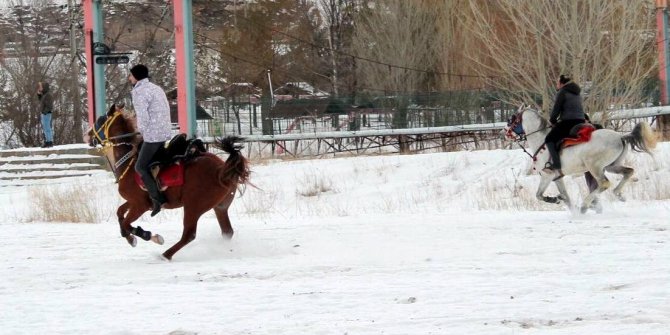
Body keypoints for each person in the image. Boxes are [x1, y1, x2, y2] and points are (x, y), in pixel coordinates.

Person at [128, 64, 172, 217]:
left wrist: (140, 130)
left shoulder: (139, 91)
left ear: (136, 76)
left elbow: (142, 115)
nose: (129, 78)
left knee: (140, 167)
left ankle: (157, 199)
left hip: (153, 134)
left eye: (131, 75)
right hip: (164, 131)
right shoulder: (156, 88)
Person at [543, 74, 586, 180]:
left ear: (562, 83)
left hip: (569, 122)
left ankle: (557, 165)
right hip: (581, 120)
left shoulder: (562, 92)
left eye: (557, 83)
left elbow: (556, 109)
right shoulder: (577, 93)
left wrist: (552, 120)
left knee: (549, 139)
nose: (556, 85)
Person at [37, 81, 54, 148]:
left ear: (44, 87)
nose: (40, 88)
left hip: (46, 114)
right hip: (44, 113)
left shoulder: (48, 95)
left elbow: (49, 106)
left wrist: (44, 112)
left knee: (47, 128)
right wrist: (39, 95)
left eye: (41, 86)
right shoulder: (45, 94)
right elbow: (42, 102)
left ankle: (49, 142)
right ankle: (48, 141)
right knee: (45, 128)